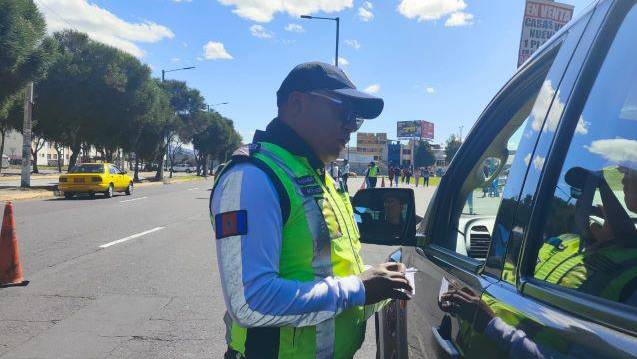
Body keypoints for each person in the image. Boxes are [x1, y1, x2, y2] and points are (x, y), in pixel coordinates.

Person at [210, 62, 412, 359]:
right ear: (297, 104)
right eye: (343, 112)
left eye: (356, 119)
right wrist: (359, 288)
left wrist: (383, 287)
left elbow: (335, 276)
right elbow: (250, 303)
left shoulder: (323, 177)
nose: (350, 126)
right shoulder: (254, 178)